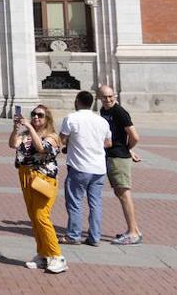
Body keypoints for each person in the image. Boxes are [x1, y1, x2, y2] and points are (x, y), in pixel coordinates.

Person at [10, 103, 66, 274]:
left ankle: (57, 256)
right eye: (34, 114)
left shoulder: (52, 136)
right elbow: (13, 144)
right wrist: (15, 129)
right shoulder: (26, 135)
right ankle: (43, 254)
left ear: (47, 118)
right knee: (34, 217)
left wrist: (28, 127)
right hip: (26, 177)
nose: (35, 117)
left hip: (43, 179)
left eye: (40, 115)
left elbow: (42, 148)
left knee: (42, 216)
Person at [59, 90, 112, 247]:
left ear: (77, 101)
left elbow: (61, 139)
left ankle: (74, 235)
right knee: (95, 203)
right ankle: (95, 237)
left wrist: (72, 144)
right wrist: (94, 143)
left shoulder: (71, 118)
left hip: (79, 167)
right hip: (99, 168)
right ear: (92, 103)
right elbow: (108, 143)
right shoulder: (102, 121)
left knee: (75, 202)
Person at [98, 85, 143, 245]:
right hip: (113, 155)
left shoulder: (119, 112)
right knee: (120, 193)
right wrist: (128, 151)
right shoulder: (104, 111)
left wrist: (127, 149)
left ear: (115, 96)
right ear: (99, 98)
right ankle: (134, 230)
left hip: (118, 157)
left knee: (124, 193)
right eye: (105, 97)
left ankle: (132, 233)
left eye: (111, 96)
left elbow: (134, 136)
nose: (108, 99)